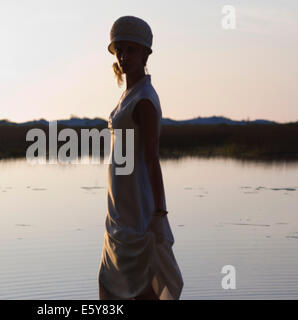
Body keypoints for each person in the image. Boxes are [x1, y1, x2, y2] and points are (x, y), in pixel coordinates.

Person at [98, 16, 184, 300]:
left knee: (139, 290)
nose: (124, 56)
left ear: (146, 53)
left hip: (138, 213)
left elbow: (151, 159)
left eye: (131, 50)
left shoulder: (144, 98)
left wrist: (159, 213)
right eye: (119, 50)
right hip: (119, 211)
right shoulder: (128, 94)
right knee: (110, 286)